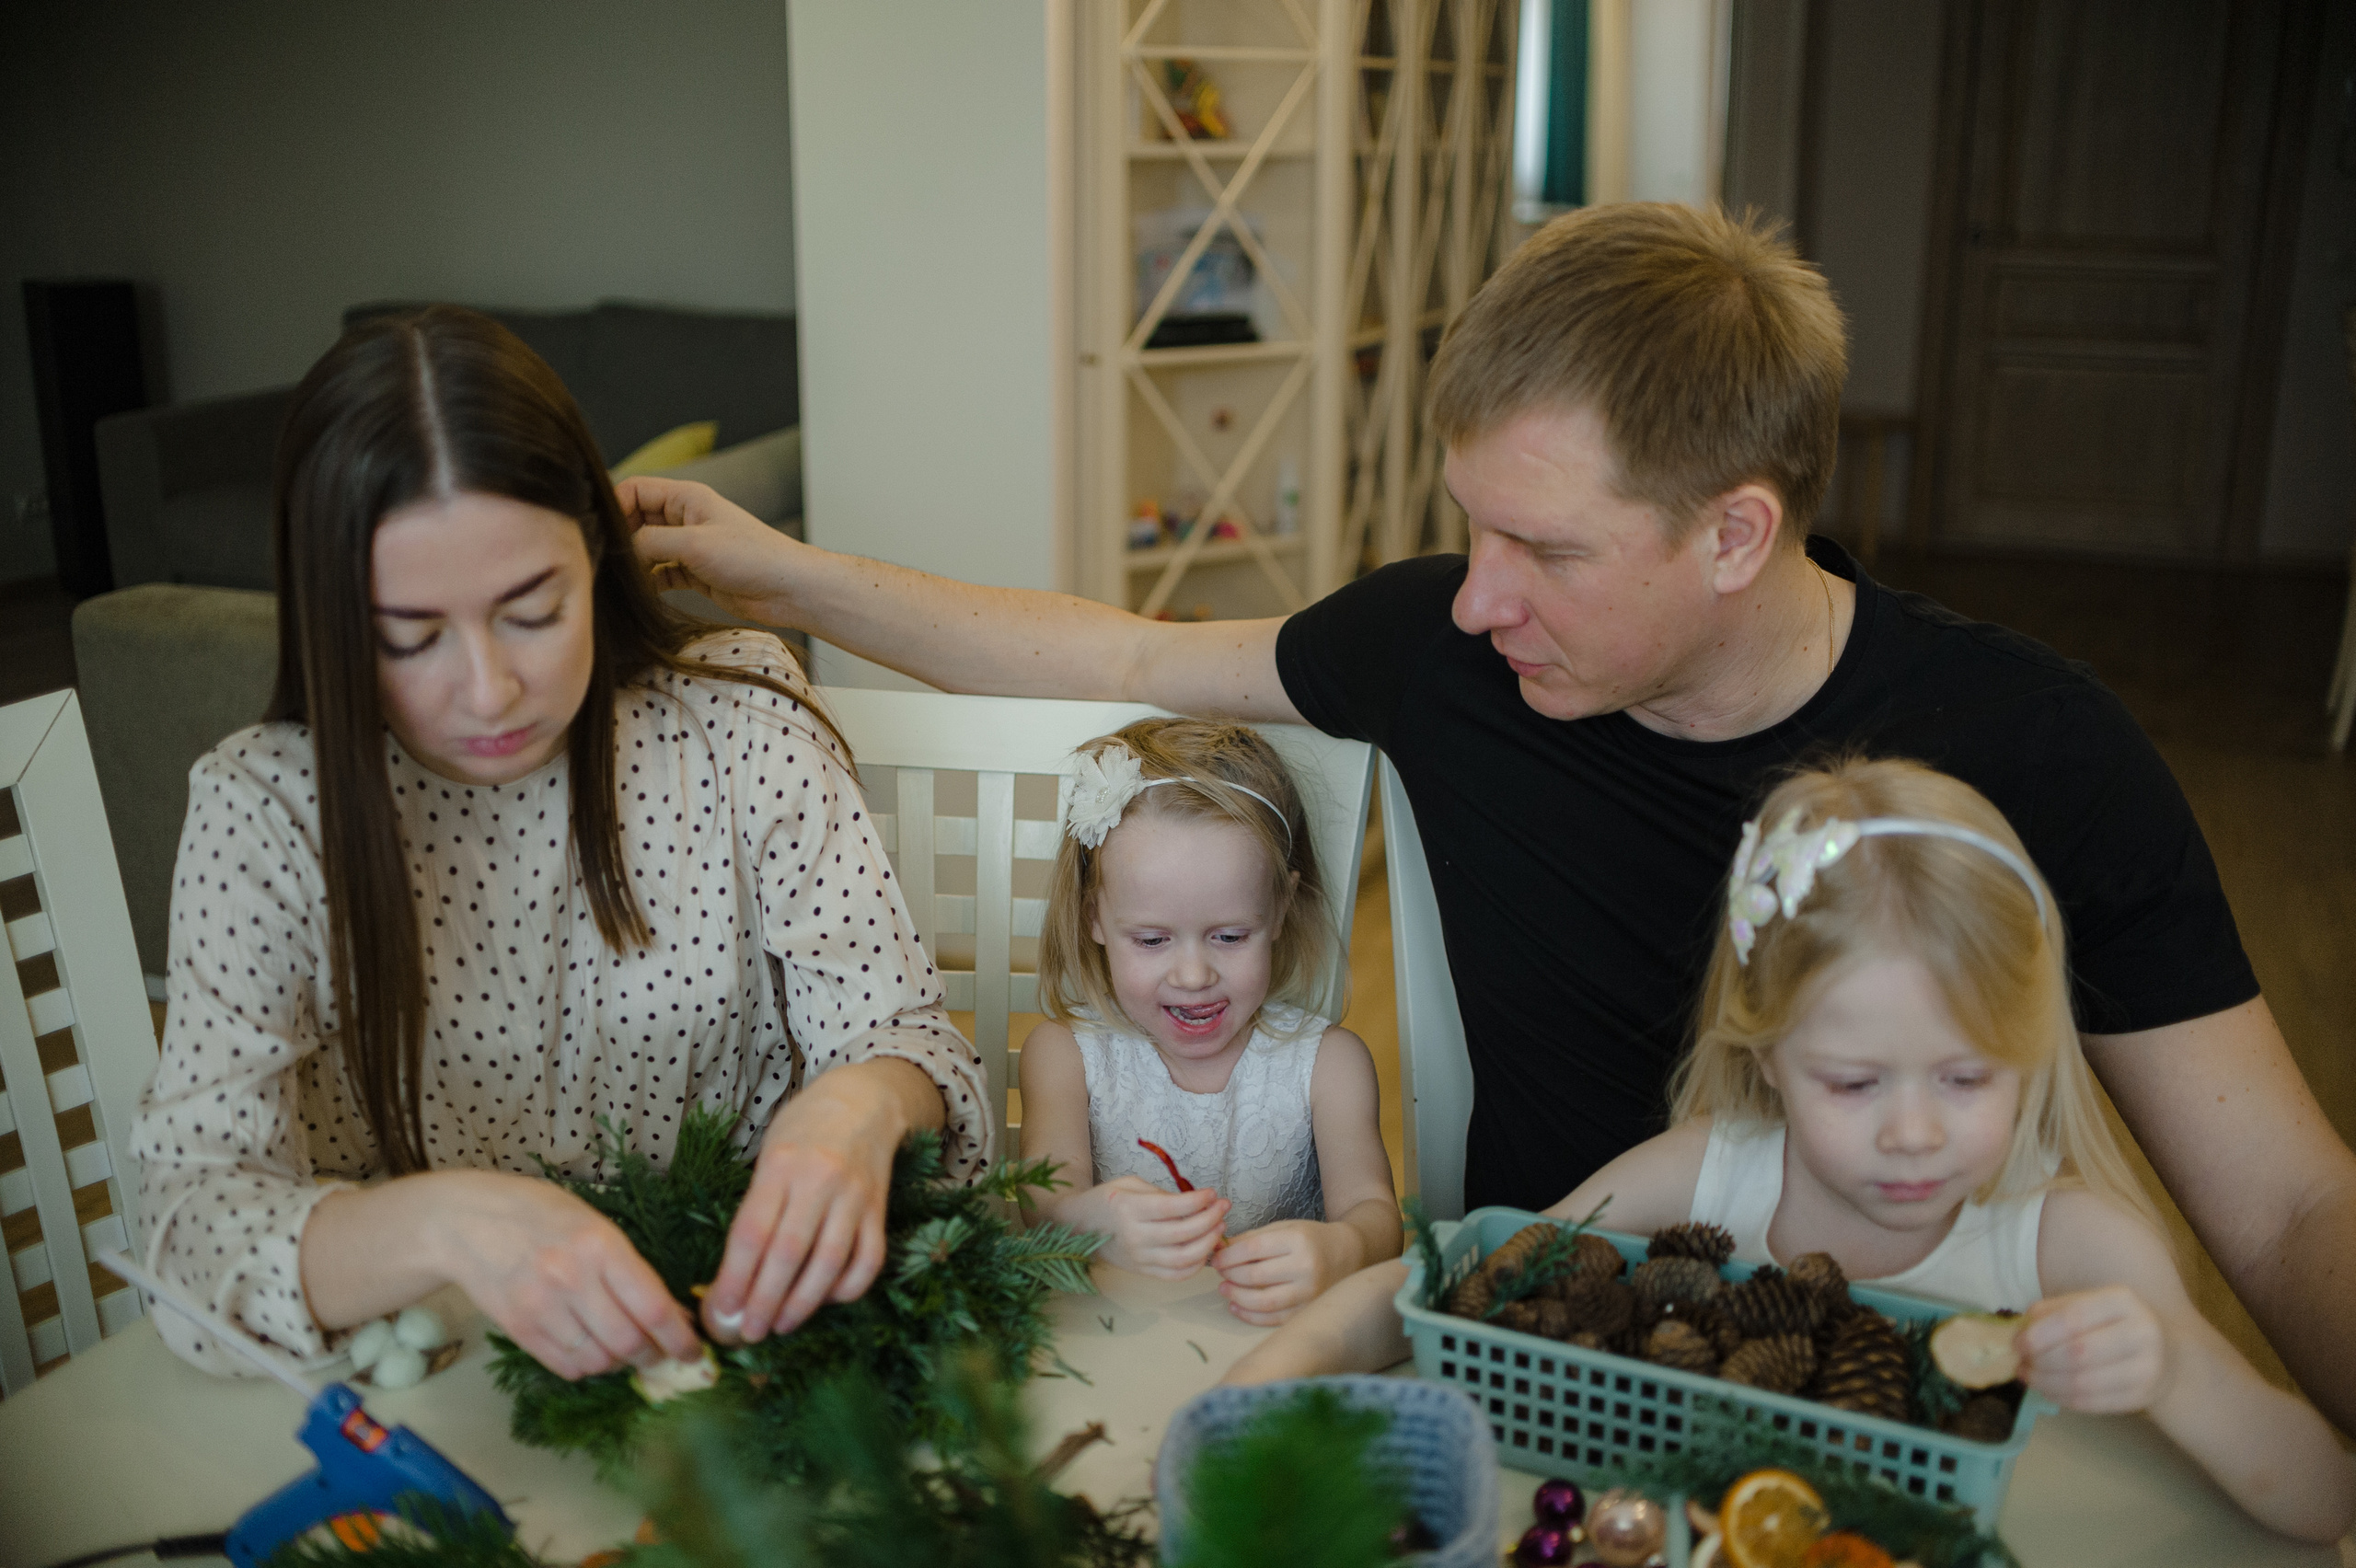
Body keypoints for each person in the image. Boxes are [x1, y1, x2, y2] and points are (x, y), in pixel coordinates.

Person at [617, 204, 2356, 1431]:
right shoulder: (1451, 652)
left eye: (1549, 549)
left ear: (1737, 533)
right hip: (1547, 1350)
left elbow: (2282, 1212)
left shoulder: (2037, 749)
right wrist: (781, 568)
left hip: (1916, 1372)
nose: (1475, 599)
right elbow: (1120, 647)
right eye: (1475, 530)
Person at [133, 307, 989, 1383]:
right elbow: (186, 1220)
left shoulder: (739, 722)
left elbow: (908, 1036)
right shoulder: (263, 813)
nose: (488, 690)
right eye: (410, 637)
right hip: (427, 1393)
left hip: (739, 1355)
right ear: (332, 618)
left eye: (532, 610)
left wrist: (861, 1103)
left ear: (595, 550)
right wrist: (443, 1225)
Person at [1220, 758, 2356, 1542]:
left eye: (1966, 1079)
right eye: (1853, 1083)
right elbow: (1461, 1281)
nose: (1912, 1131)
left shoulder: (2073, 1248)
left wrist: (2174, 1365)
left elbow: (2319, 1503)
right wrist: (1261, 1385)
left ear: (2031, 1054)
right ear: (1764, 1057)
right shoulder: (1705, 1172)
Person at [1017, 719, 1400, 1323]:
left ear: (1278, 909)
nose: (1193, 975)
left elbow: (1376, 1214)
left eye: (1228, 935)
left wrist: (1342, 1248)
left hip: (1277, 1344)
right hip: (1114, 1339)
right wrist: (1086, 1218)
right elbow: (1043, 1198)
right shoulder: (1065, 1055)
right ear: (1094, 918)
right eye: (1151, 939)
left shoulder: (1329, 1064)